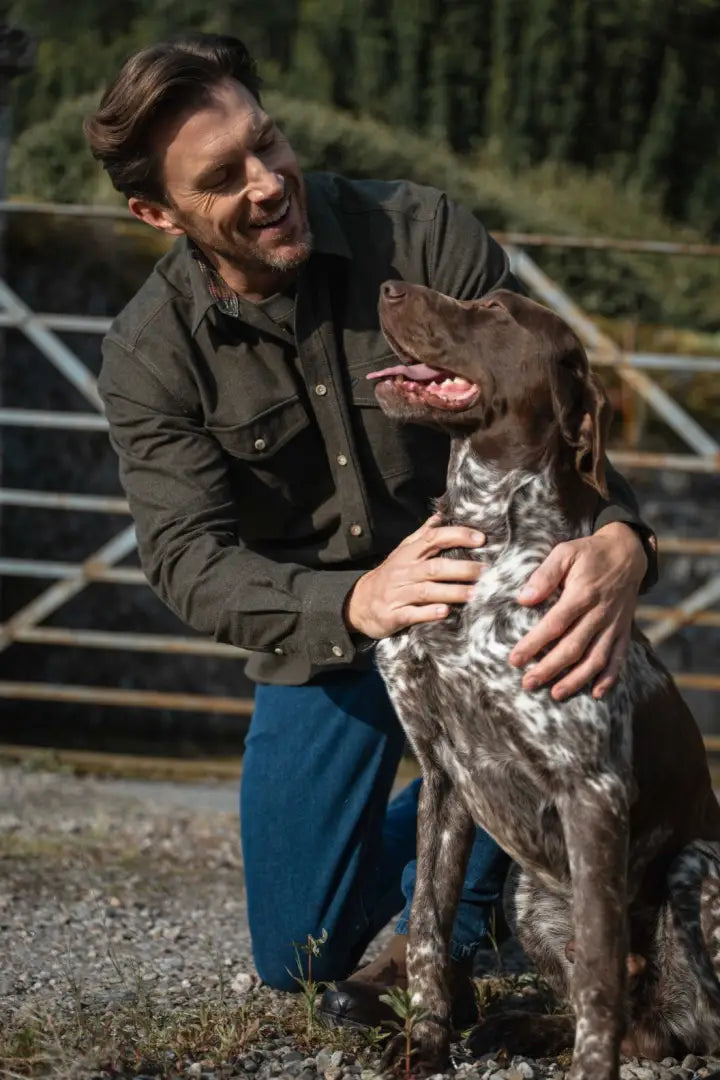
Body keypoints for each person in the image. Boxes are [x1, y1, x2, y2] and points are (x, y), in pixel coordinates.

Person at [84, 32, 657, 1026]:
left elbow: (553, 410)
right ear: (157, 213)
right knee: (295, 949)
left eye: (268, 143)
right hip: (334, 632)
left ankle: (468, 913)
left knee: (570, 693)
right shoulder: (148, 351)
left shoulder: (423, 232)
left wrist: (625, 543)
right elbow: (184, 558)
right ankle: (489, 847)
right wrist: (354, 597)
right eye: (224, 177)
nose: (269, 182)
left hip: (497, 599)